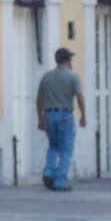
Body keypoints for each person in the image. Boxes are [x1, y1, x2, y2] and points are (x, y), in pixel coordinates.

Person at [37, 45, 85, 189]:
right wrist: (83, 115)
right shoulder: (73, 76)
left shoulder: (46, 77)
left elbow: (39, 99)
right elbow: (79, 97)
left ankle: (48, 171)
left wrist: (40, 117)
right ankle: (59, 181)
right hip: (64, 114)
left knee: (53, 146)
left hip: (48, 114)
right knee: (66, 148)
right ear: (67, 60)